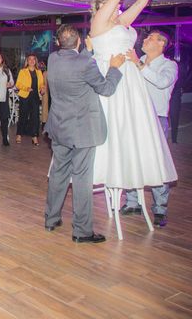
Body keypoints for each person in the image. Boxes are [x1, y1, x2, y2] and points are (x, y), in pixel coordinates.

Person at [88, 0, 177, 199]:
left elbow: (140, 4)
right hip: (111, 76)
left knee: (132, 132)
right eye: (109, 0)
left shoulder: (121, 22)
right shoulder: (99, 24)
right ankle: (110, 176)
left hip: (131, 80)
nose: (115, 3)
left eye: (114, 2)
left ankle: (132, 188)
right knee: (113, 127)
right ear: (101, 6)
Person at [44, 25, 124, 243]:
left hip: (59, 127)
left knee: (59, 173)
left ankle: (51, 219)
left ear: (58, 43)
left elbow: (76, 65)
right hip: (82, 131)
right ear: (79, 42)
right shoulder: (85, 62)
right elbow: (106, 88)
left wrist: (85, 52)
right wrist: (115, 69)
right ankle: (82, 231)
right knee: (81, 178)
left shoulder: (52, 59)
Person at [123, 30, 178, 227]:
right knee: (131, 158)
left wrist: (138, 63)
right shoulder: (137, 59)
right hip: (134, 116)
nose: (145, 40)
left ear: (162, 43)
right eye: (146, 37)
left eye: (150, 38)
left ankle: (160, 209)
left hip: (156, 119)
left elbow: (162, 82)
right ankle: (132, 202)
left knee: (157, 162)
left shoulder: (169, 65)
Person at [15, 54, 44, 146]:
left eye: (33, 59)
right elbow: (18, 84)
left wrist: (42, 88)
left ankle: (34, 136)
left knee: (35, 117)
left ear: (36, 61)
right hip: (25, 96)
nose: (31, 61)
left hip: (35, 96)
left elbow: (41, 84)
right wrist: (26, 88)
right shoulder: (23, 71)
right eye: (30, 59)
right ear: (27, 61)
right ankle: (19, 134)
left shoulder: (39, 72)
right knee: (23, 116)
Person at [0, 52, 14, 146]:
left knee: (4, 120)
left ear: (2, 59)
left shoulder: (6, 70)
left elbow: (12, 81)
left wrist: (10, 84)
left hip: (4, 99)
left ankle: (5, 138)